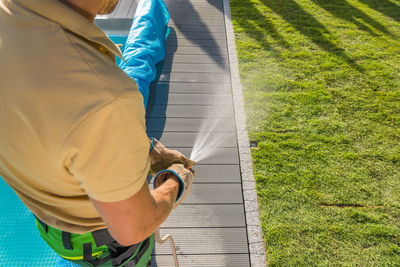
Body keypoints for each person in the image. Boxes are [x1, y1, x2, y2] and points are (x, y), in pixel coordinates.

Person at [0, 0, 195, 266]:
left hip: (53, 230)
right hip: (105, 248)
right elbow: (133, 228)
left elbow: (53, 126)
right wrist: (175, 181)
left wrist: (143, 149)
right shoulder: (104, 98)